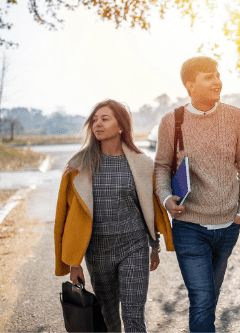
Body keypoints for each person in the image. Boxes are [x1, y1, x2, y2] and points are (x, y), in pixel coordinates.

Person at [54, 99, 174, 332]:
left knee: (133, 317)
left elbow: (150, 209)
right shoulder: (76, 167)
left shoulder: (142, 164)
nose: (98, 124)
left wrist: (155, 247)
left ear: (121, 127)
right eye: (94, 120)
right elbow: (65, 217)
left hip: (134, 245)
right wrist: (73, 264)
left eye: (105, 119)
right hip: (97, 252)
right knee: (109, 320)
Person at [154, 56, 240, 332]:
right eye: (208, 77)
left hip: (228, 226)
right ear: (190, 85)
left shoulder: (235, 116)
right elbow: (162, 166)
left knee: (210, 298)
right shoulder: (171, 121)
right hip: (189, 227)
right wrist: (166, 198)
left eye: (218, 75)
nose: (217, 81)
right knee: (202, 299)